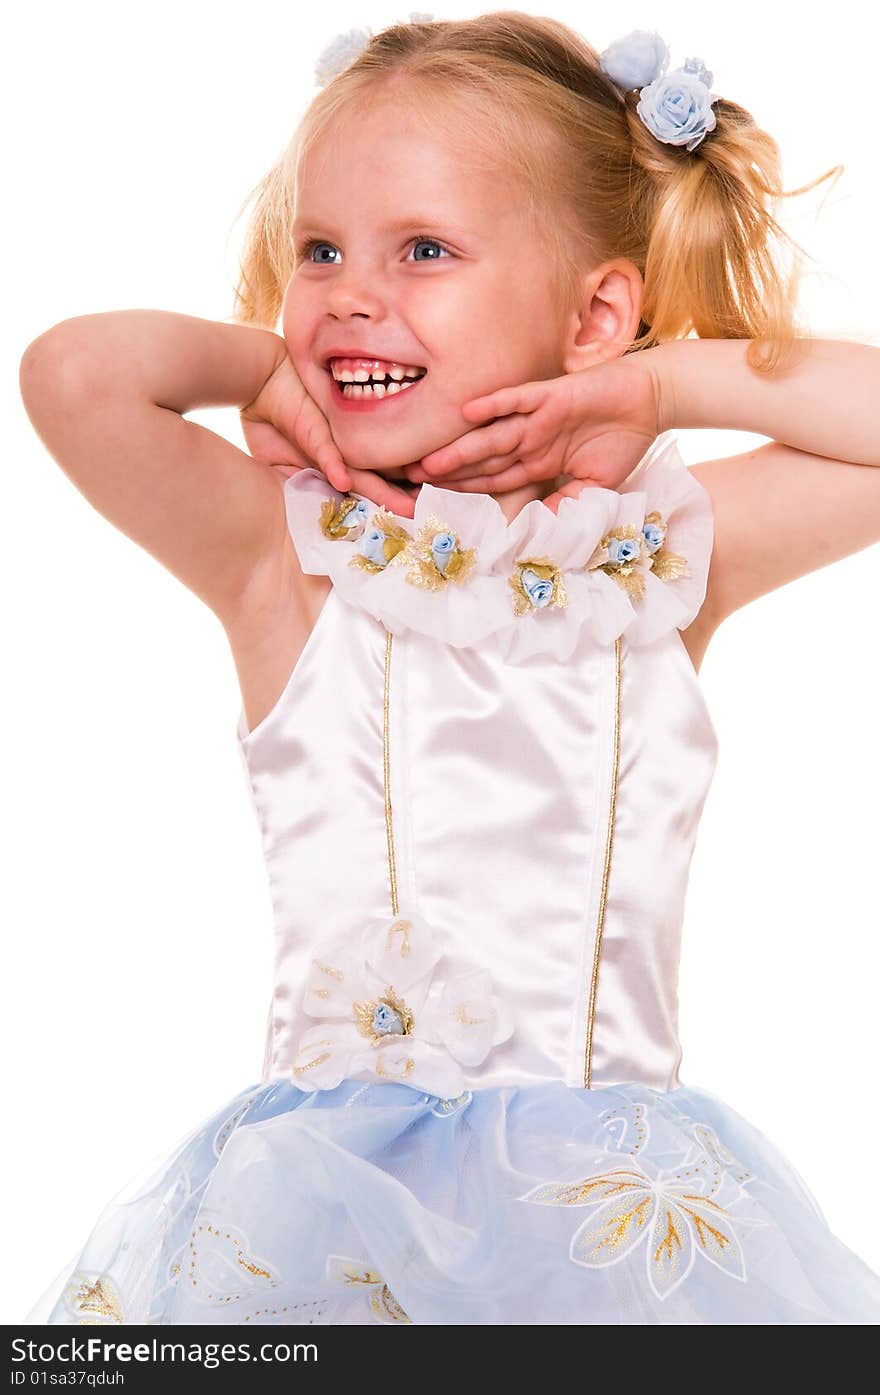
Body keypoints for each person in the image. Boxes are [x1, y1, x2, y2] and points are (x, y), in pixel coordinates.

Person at [18, 14, 880, 1325]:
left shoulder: (648, 567)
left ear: (598, 309)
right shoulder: (289, 555)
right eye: (321, 251)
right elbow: (72, 374)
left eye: (422, 249)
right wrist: (261, 365)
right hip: (319, 1210)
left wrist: (663, 391)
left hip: (601, 1222)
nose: (351, 293)